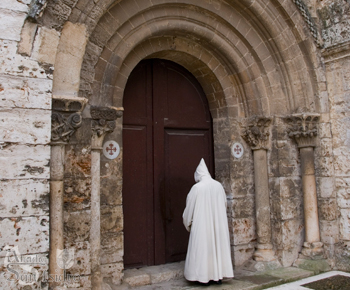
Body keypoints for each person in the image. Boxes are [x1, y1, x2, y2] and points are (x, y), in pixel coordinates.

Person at [183, 158, 234, 285]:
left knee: (203, 250)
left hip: (202, 225)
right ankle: (218, 276)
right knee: (217, 248)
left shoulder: (197, 188)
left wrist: (188, 223)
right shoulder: (218, 186)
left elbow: (189, 209)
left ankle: (203, 278)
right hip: (218, 225)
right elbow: (224, 205)